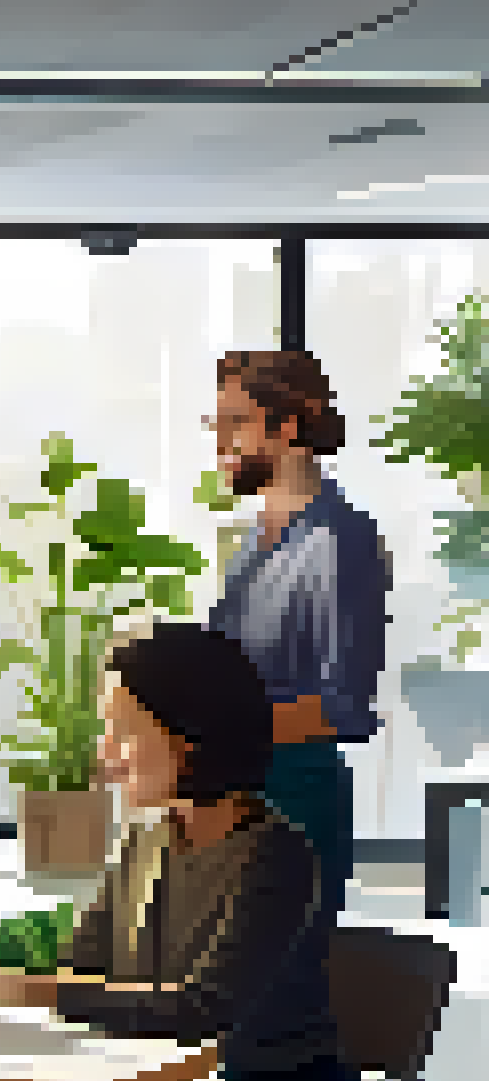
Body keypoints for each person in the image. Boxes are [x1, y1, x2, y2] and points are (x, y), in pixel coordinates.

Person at [0, 623, 383, 1081]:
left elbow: (200, 1013)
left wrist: (38, 991)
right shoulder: (144, 840)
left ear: (193, 737)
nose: (105, 755)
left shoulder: (272, 857)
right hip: (150, 1074)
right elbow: (86, 963)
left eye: (123, 732)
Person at [204, 349, 389, 923]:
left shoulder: (339, 543)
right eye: (217, 425)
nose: (219, 443)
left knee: (274, 995)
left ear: (287, 428)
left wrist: (214, 725)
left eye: (236, 423)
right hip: (231, 805)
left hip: (295, 815)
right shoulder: (249, 553)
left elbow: (346, 710)